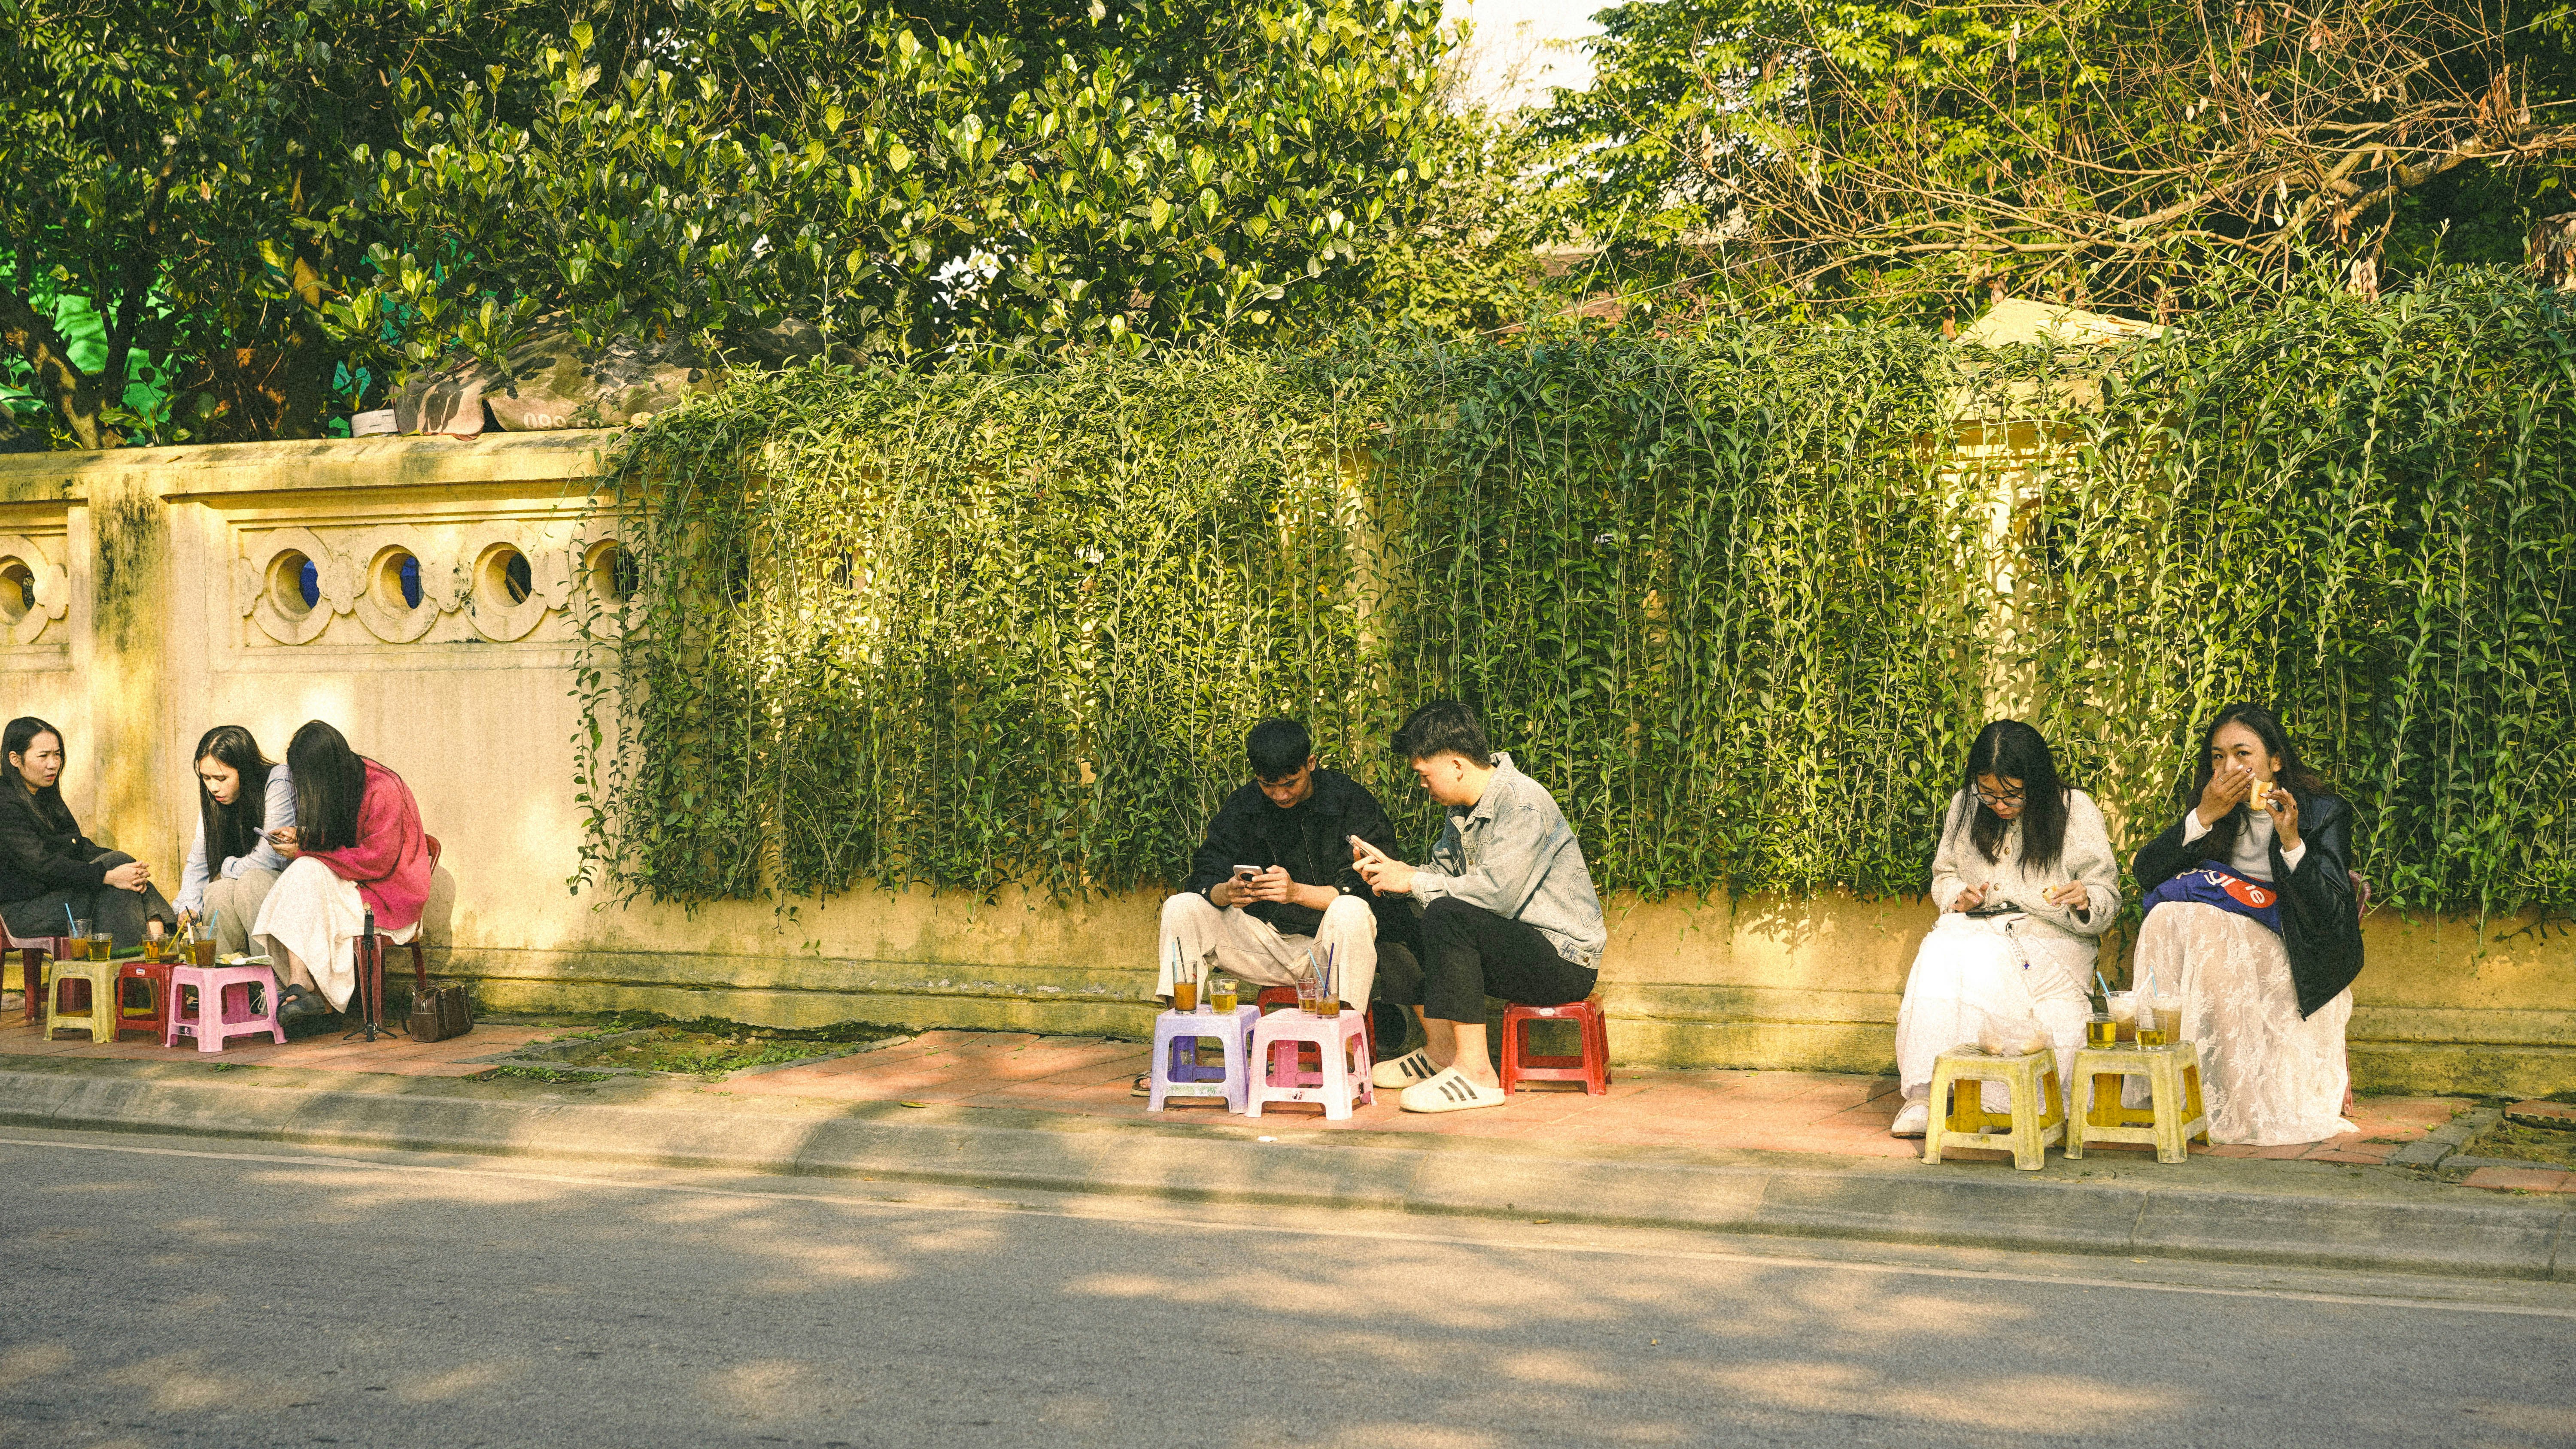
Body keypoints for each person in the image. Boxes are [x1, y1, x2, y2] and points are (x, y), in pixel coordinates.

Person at [1353, 700, 1605, 1115]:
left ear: (1455, 764)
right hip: (1511, 948)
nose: (1422, 785)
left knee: (1447, 914)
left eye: (1423, 774)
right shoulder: (1461, 812)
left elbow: (1495, 896)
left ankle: (1477, 1075)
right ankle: (1440, 1053)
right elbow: (1441, 877)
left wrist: (1414, 880)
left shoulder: (1523, 804)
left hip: (1563, 962)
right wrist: (1394, 876)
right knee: (1392, 912)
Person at [2131, 702, 2362, 1145]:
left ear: (2274, 761)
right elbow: (2147, 873)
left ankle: (2235, 1104)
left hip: (2295, 953)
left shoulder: (2324, 811)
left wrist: (2292, 841)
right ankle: (2162, 1089)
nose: (2229, 767)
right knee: (2166, 916)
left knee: (2207, 924)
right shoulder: (2216, 807)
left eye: (2242, 754)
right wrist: (2203, 817)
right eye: (2218, 757)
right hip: (2220, 947)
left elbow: (2332, 916)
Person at [1888, 721, 2121, 1137]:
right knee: (1939, 947)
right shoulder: (1964, 806)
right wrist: (1958, 895)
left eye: (2013, 793)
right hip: (1981, 925)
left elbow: (2107, 896)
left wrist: (2085, 898)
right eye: (1989, 793)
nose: (1999, 804)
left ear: (2037, 783)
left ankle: (1986, 1095)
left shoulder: (2075, 809)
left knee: (1980, 956)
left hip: (2053, 938)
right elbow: (1944, 875)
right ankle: (1925, 1092)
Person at [1152, 718, 1418, 1061]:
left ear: (1311, 763)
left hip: (1331, 952)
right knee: (1181, 907)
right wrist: (1225, 892)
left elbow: (1375, 886)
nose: (1281, 795)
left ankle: (1345, 1058)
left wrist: (1296, 893)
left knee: (1351, 910)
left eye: (1290, 783)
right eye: (1268, 786)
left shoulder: (1348, 799)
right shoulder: (1243, 805)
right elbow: (1204, 871)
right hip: (1261, 944)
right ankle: (1179, 1054)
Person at [250, 722, 436, 1021]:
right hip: (356, 884)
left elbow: (376, 861)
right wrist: (303, 836)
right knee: (305, 871)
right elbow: (340, 838)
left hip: (389, 895)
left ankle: (311, 992)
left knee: (306, 869)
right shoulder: (345, 780)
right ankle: (304, 985)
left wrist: (305, 849)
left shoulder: (382, 789)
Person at [0, 716, 176, 950]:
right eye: (43, 756)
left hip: (61, 897)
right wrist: (109, 875)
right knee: (115, 878)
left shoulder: (45, 795)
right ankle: (156, 940)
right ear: (15, 759)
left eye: (58, 754)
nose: (53, 764)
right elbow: (42, 865)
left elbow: (78, 846)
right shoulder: (5, 802)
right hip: (23, 912)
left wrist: (125, 869)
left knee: (120, 875)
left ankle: (128, 973)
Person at [173, 725, 296, 958]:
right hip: (242, 882)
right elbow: (199, 858)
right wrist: (189, 906)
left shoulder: (277, 780)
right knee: (218, 891)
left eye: (221, 778)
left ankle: (276, 984)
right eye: (206, 778)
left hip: (282, 882)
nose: (213, 787)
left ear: (245, 770)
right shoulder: (213, 799)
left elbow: (270, 857)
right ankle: (229, 987)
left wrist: (226, 867)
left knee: (251, 882)